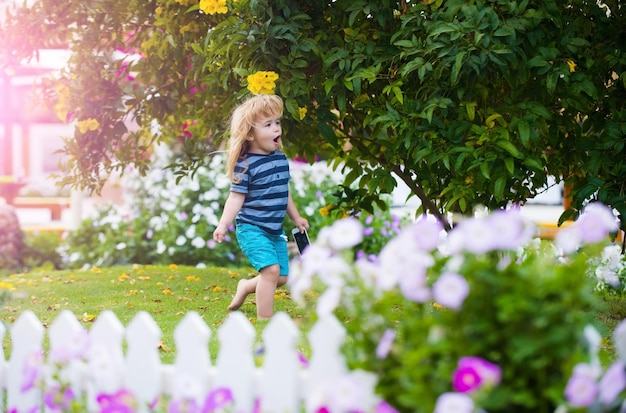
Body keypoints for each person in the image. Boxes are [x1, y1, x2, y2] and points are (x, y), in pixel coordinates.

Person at [213, 94, 309, 320]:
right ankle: (266, 320)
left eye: (277, 122)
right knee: (271, 271)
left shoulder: (280, 159)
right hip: (251, 228)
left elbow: (284, 192)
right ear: (250, 133)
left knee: (281, 277)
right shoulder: (245, 164)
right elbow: (236, 198)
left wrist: (296, 218)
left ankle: (246, 286)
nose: (276, 128)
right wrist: (223, 224)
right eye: (268, 124)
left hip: (274, 231)